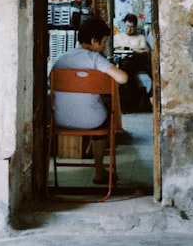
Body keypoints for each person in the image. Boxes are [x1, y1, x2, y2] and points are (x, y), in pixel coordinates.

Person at [51, 16, 128, 185]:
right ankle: (99, 171)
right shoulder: (94, 58)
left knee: (93, 106)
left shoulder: (60, 59)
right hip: (91, 122)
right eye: (103, 42)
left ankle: (88, 150)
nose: (102, 47)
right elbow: (123, 78)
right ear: (94, 41)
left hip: (60, 120)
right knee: (106, 113)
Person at [114, 13, 152, 111]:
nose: (129, 29)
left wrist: (131, 49)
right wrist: (138, 48)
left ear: (135, 27)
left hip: (139, 60)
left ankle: (151, 95)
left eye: (132, 27)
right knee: (126, 67)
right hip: (126, 62)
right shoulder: (118, 37)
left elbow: (146, 50)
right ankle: (130, 102)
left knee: (152, 67)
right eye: (127, 26)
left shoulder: (140, 37)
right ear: (124, 24)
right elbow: (117, 49)